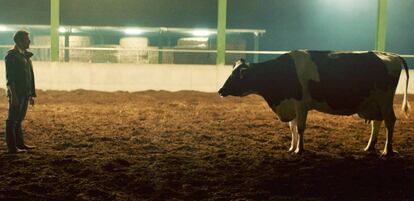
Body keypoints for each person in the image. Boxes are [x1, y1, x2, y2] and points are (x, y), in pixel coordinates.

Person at [4, 30, 36, 154]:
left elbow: (29, 76)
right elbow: (10, 78)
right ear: (20, 41)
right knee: (12, 120)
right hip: (16, 93)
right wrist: (14, 96)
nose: (29, 42)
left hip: (24, 93)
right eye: (27, 39)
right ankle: (12, 147)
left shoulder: (25, 56)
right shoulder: (11, 56)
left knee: (19, 119)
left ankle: (20, 144)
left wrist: (30, 94)